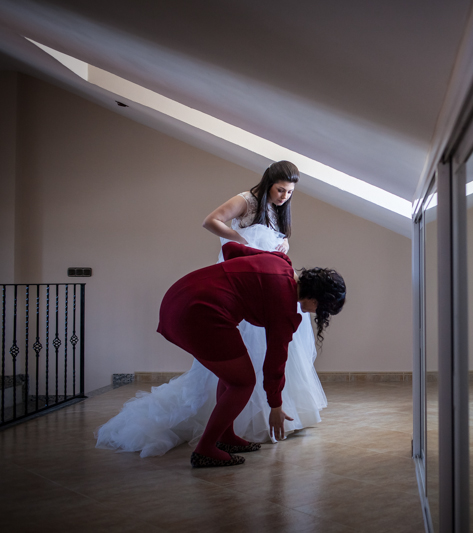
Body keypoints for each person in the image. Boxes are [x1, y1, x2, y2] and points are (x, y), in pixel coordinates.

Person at [96, 161, 326, 457]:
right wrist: (246, 243)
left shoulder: (277, 215)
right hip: (226, 301)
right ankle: (208, 448)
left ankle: (227, 434)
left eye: (290, 192)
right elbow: (213, 223)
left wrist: (279, 250)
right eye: (280, 189)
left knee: (238, 373)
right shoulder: (248, 201)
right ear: (269, 183)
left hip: (251, 292)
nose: (284, 196)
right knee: (242, 377)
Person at [157, 242, 345, 467]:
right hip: (198, 312)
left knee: (233, 376)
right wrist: (276, 407)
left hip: (179, 296)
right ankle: (205, 450)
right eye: (322, 310)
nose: (317, 314)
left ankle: (226, 437)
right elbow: (275, 362)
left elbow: (231, 249)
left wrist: (239, 283)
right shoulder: (284, 307)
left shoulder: (280, 262)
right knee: (243, 383)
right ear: (315, 299)